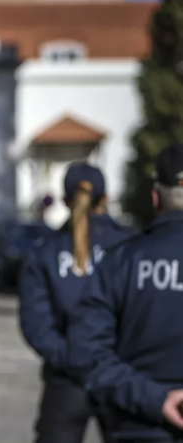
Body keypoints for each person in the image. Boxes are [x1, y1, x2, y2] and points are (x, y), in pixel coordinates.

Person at [68, 144, 183, 443]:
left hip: (139, 424)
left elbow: (87, 352)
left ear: (156, 197)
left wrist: (156, 399)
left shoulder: (121, 261)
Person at [19, 163, 131, 443]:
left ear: (65, 200)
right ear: (106, 199)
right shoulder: (132, 247)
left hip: (65, 379)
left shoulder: (45, 250)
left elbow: (36, 325)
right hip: (121, 376)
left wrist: (71, 358)